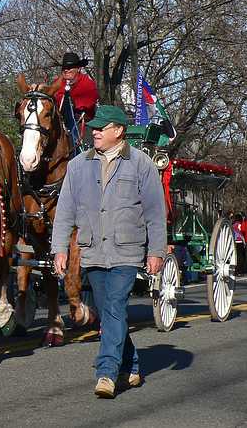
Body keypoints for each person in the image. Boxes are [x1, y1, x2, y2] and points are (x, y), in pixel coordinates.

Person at [51, 105, 166, 399]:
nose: (95, 131)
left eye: (102, 127)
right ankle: (132, 365)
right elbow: (64, 211)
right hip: (92, 251)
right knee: (108, 312)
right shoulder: (77, 166)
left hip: (126, 252)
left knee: (114, 306)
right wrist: (59, 248)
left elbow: (155, 212)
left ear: (119, 130)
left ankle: (106, 372)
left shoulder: (142, 164)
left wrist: (156, 252)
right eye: (94, 127)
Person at [53, 52, 99, 151]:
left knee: (86, 150)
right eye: (64, 68)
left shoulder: (88, 84)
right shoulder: (57, 83)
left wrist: (71, 101)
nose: (66, 70)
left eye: (70, 67)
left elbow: (88, 102)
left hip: (82, 123)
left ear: (78, 69)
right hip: (60, 123)